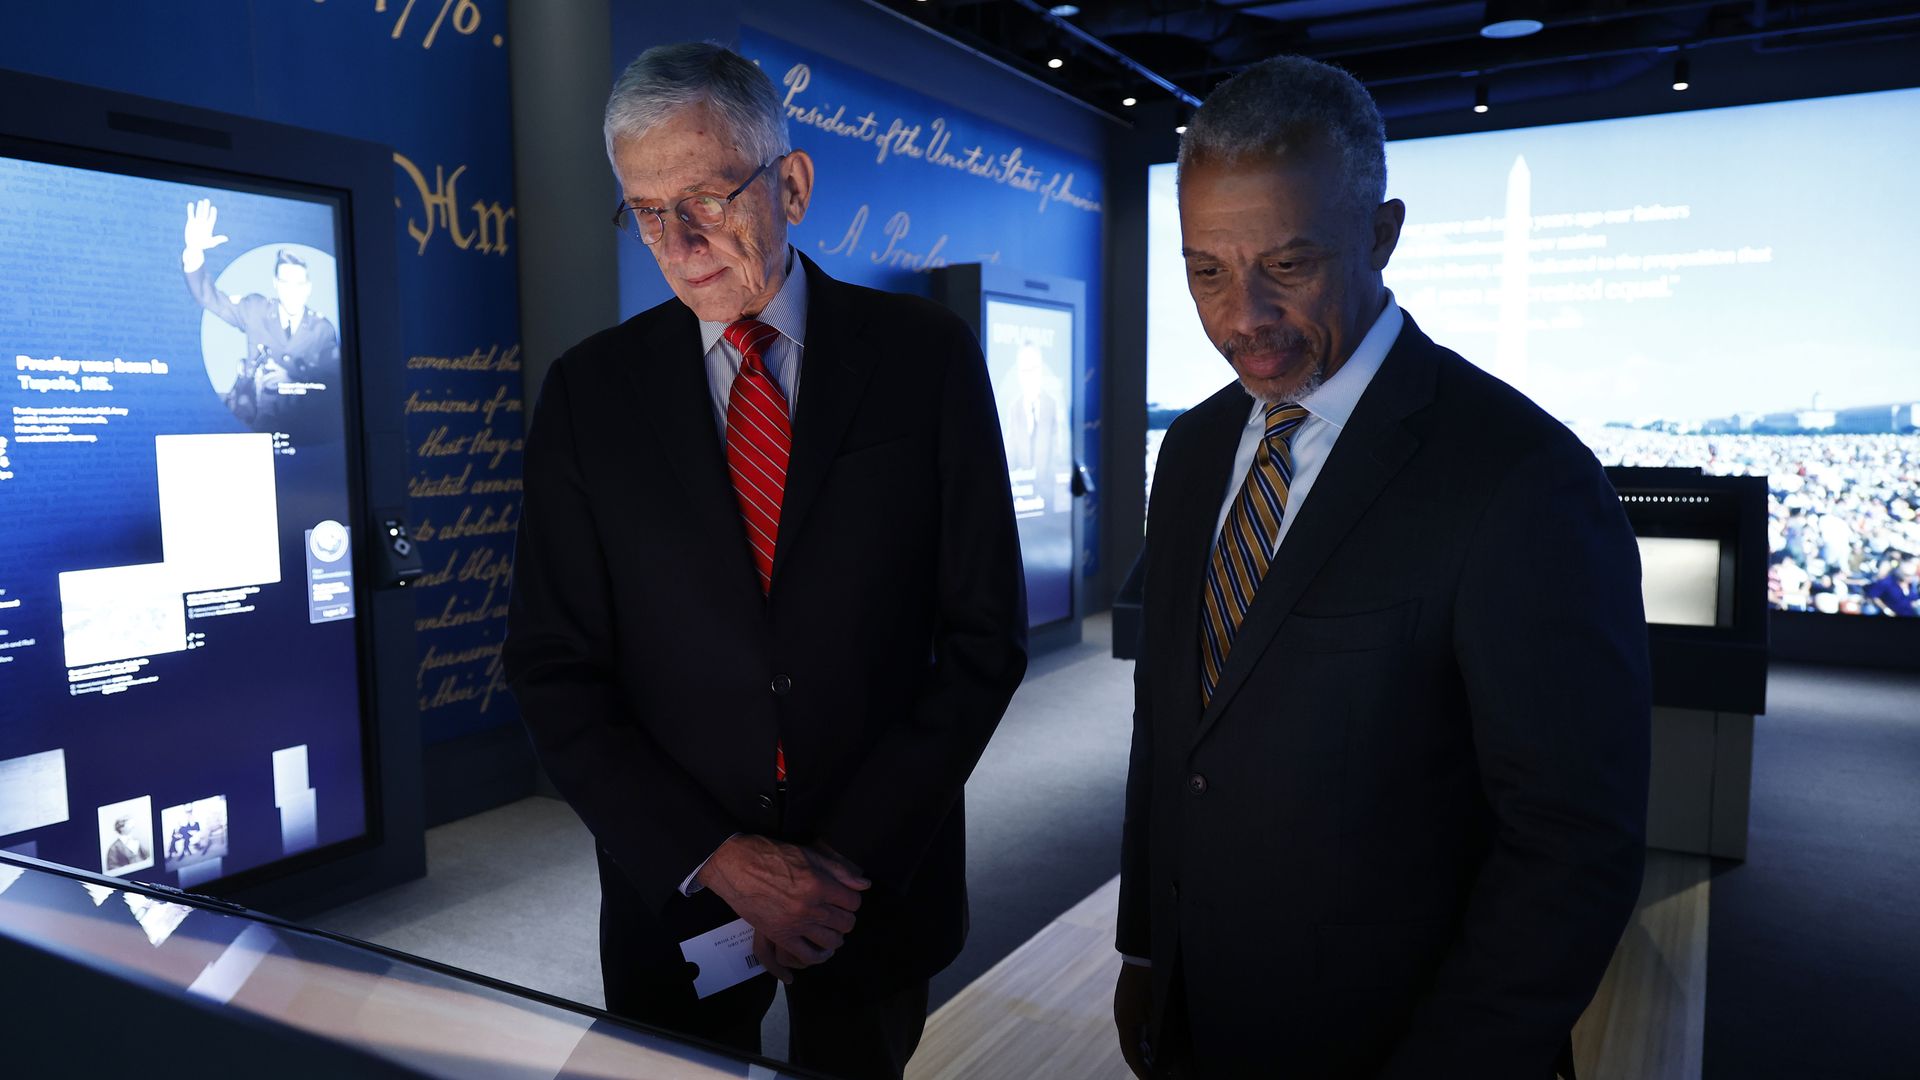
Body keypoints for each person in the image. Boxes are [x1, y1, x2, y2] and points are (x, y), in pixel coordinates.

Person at [1115, 56, 1650, 1078]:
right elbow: (1170, 735)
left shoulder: (1522, 478)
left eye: (1289, 264)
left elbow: (1570, 848)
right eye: (1207, 271)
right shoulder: (1189, 453)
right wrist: (1148, 949)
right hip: (1200, 1015)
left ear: (1381, 233)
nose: (1242, 317)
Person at [501, 43, 1027, 1080]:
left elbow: (981, 637)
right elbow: (553, 665)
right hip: (681, 893)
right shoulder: (589, 395)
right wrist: (722, 861)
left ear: (791, 182)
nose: (679, 240)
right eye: (647, 210)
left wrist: (835, 872)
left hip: (876, 884)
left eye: (704, 195)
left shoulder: (924, 360)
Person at [181, 200, 341, 438]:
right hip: (253, 425)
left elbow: (335, 386)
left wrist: (292, 380)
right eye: (285, 282)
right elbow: (209, 298)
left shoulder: (322, 330)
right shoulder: (255, 309)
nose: (291, 290)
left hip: (304, 435)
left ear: (308, 288)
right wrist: (193, 251)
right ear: (276, 285)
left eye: (298, 284)